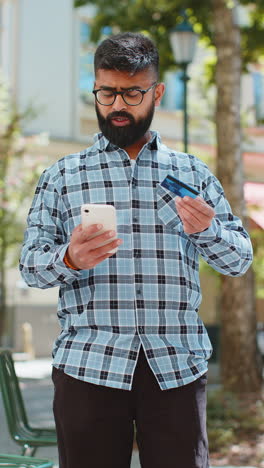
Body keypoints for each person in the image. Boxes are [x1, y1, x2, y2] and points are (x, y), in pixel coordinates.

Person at [19, 32, 253, 468]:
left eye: (131, 92)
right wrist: (68, 259)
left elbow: (239, 259)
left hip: (176, 368)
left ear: (157, 92)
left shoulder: (191, 173)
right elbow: (31, 268)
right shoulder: (62, 176)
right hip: (88, 366)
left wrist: (207, 232)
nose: (117, 105)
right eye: (106, 92)